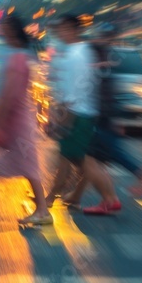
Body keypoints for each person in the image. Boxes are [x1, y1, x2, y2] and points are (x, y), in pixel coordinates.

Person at [63, 23, 142, 214]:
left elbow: (104, 95)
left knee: (97, 159)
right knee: (100, 159)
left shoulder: (101, 67)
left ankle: (141, 175)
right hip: (105, 117)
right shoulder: (104, 65)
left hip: (99, 119)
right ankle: (108, 199)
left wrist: (108, 118)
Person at [44, 14, 120, 213]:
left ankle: (48, 201)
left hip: (76, 115)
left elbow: (72, 94)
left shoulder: (75, 55)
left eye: (62, 29)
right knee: (82, 161)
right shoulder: (80, 51)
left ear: (72, 29)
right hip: (80, 114)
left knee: (71, 161)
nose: (59, 33)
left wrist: (62, 121)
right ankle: (107, 198)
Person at [0, 15, 52, 225]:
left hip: (18, 117)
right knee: (26, 163)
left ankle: (42, 211)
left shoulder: (18, 58)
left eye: (2, 28)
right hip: (17, 115)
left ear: (12, 31)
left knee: (28, 164)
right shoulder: (14, 54)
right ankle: (41, 210)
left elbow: (10, 94)